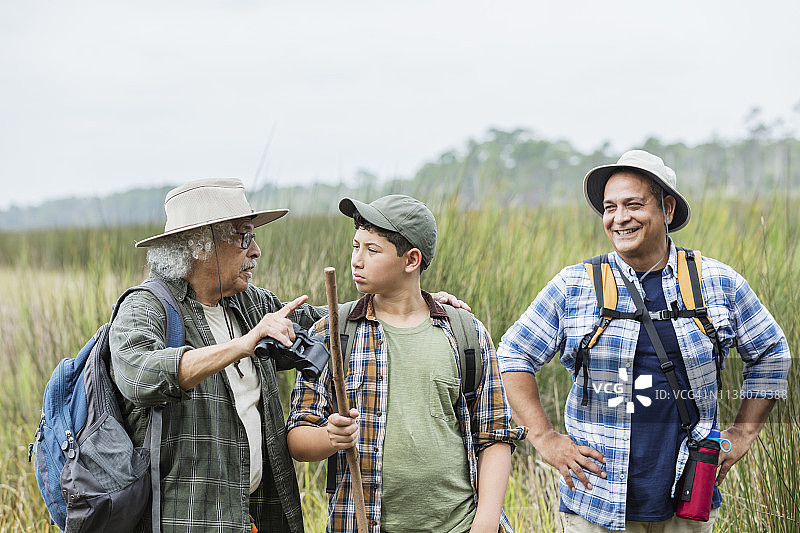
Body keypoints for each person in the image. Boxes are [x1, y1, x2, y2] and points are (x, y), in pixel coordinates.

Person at [110, 179, 467, 533]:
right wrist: (242, 345)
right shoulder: (146, 307)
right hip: (186, 520)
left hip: (255, 516)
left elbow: (327, 323)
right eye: (244, 236)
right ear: (201, 245)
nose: (256, 251)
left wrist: (413, 297)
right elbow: (139, 375)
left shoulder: (249, 304)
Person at [496, 150, 791, 532]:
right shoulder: (575, 285)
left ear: (667, 209)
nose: (619, 218)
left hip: (689, 499)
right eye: (610, 207)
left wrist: (743, 433)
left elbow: (772, 351)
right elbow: (512, 354)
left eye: (633, 205)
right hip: (596, 501)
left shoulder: (717, 282)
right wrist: (545, 438)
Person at [287, 194, 526, 533]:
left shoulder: (465, 332)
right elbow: (297, 436)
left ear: (411, 259)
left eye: (372, 250)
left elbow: (495, 435)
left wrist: (484, 524)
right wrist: (330, 436)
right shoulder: (332, 333)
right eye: (355, 246)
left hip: (457, 525)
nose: (356, 260)